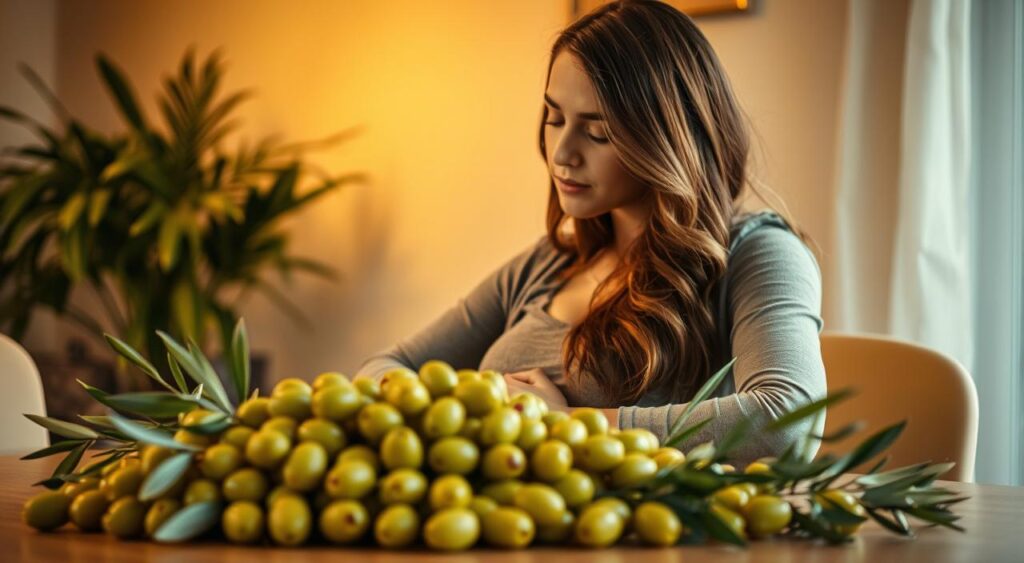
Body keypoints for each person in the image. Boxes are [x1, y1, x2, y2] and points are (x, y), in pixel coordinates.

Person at [357, 0, 826, 463]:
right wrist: (470, 401)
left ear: (666, 137)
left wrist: (570, 427)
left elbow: (788, 421)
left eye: (598, 133)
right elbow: (381, 370)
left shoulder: (757, 253)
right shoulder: (546, 263)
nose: (562, 153)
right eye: (554, 118)